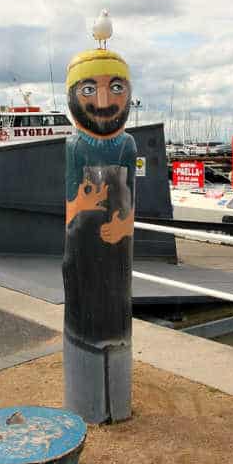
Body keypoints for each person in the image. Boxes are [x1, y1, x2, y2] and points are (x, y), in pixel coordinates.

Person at [62, 47, 136, 424]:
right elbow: (71, 208)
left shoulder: (127, 145)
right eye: (89, 90)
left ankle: (117, 406)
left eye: (116, 87)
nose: (104, 101)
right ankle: (88, 403)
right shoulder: (75, 144)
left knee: (117, 318)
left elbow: (129, 203)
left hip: (118, 255)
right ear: (72, 94)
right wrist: (83, 204)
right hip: (83, 253)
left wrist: (123, 225)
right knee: (85, 324)